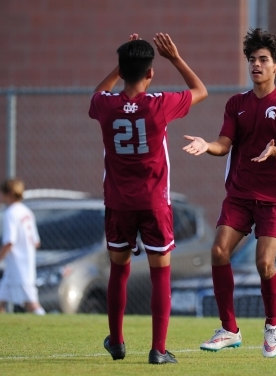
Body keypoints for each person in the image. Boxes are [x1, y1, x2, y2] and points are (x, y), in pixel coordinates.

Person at [182, 28, 276, 358]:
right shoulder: (237, 103)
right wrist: (205, 144)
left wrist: (275, 151)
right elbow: (223, 145)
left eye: (263, 60)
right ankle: (229, 329)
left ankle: (272, 324)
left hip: (275, 197)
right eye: (252, 59)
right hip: (240, 193)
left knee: (264, 263)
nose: (256, 64)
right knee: (219, 251)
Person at [88, 33, 207, 365]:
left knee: (118, 270)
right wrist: (175, 58)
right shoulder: (158, 104)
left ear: (123, 71)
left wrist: (121, 65)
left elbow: (97, 94)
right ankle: (158, 349)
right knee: (160, 274)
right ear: (150, 73)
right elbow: (201, 91)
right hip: (155, 202)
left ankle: (117, 341)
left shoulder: (106, 106)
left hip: (118, 203)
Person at [0, 178, 45, 315]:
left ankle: (50, 327)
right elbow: (36, 242)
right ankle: (1, 333)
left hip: (19, 267)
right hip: (15, 268)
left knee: (31, 305)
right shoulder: (27, 212)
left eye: (1, 193)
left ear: (9, 193)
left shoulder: (11, 213)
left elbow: (9, 242)